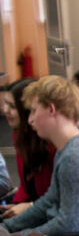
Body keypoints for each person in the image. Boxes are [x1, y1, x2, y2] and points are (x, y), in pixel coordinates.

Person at [0, 76, 79, 236]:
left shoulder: (75, 156)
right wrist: (7, 227)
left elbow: (68, 225)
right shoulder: (69, 147)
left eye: (34, 111)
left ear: (51, 109)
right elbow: (49, 200)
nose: (30, 119)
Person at [0, 78, 55, 212]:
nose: (5, 110)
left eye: (12, 106)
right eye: (5, 104)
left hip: (46, 214)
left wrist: (29, 207)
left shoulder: (50, 144)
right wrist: (18, 206)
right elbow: (27, 188)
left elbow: (55, 199)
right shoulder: (20, 136)